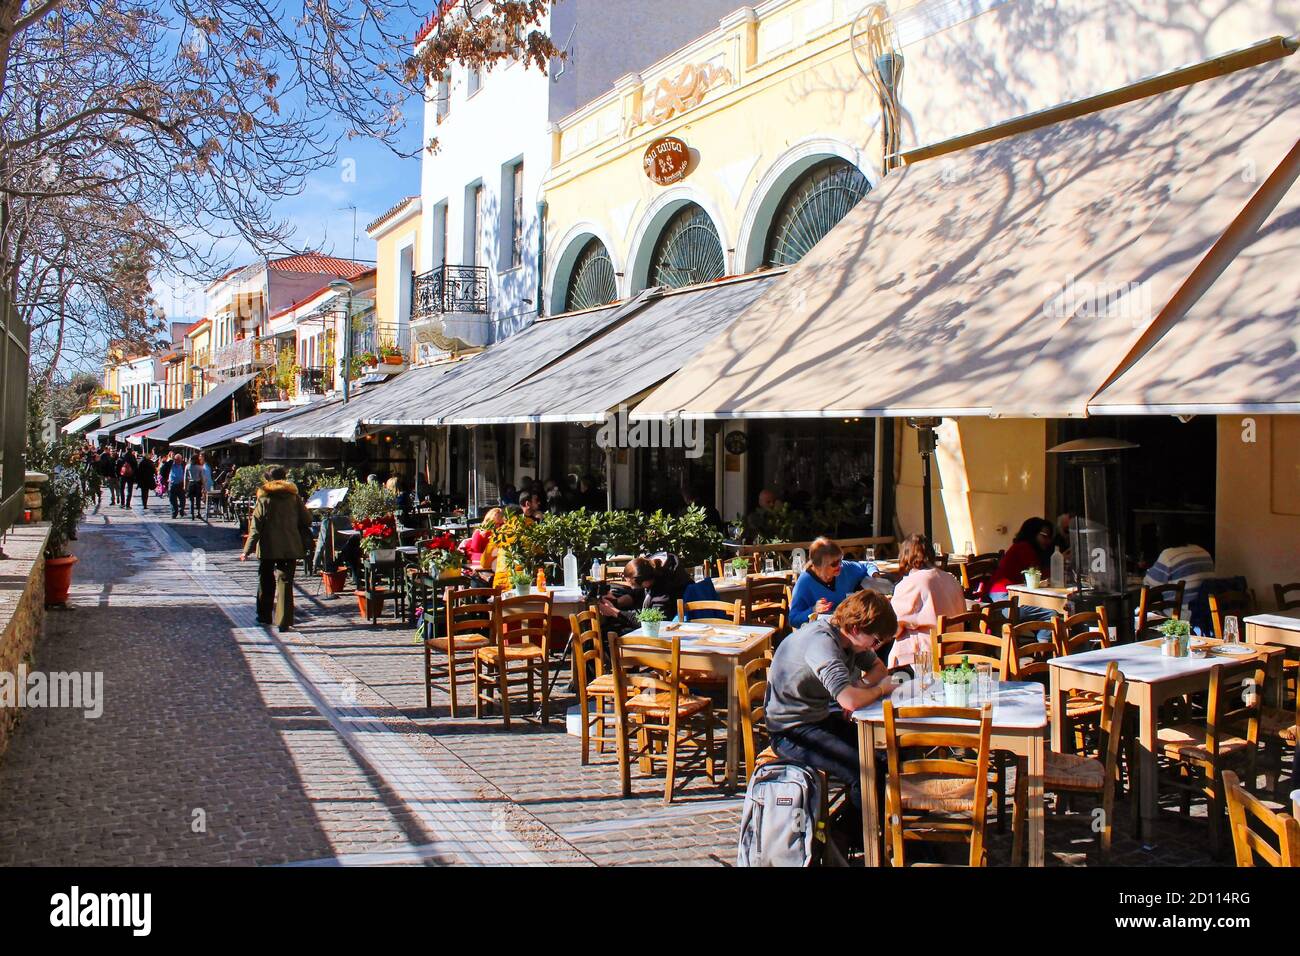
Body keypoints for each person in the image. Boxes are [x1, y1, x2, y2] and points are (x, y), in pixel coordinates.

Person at [765, 589, 897, 832]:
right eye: (876, 641)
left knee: (882, 753)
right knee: (864, 770)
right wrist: (877, 691)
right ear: (857, 629)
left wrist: (860, 686)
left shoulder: (847, 638)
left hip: (818, 717)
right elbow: (849, 700)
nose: (876, 647)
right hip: (790, 731)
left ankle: (871, 826)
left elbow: (879, 668)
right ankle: (853, 838)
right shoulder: (822, 644)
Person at [239, 466, 312, 630]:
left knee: (265, 581)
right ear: (285, 478)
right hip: (290, 546)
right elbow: (307, 520)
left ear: (268, 480)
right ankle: (284, 620)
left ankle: (264, 616)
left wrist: (247, 550)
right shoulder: (294, 497)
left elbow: (256, 528)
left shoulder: (264, 499)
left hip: (268, 547)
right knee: (285, 582)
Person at [888, 534, 967, 668]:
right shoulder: (950, 578)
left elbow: (894, 629)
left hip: (927, 655)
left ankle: (889, 684)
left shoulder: (910, 583)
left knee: (879, 649)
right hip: (956, 647)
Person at [788, 536, 882, 628]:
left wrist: (874, 575)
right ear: (819, 566)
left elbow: (868, 565)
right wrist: (813, 610)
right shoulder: (805, 582)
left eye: (840, 560)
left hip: (848, 628)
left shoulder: (845, 568)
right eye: (834, 564)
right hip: (820, 633)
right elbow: (793, 619)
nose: (840, 565)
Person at [1143, 519, 1214, 619]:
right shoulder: (1202, 551)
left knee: (1138, 613)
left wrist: (1148, 571)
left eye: (1158, 532)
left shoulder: (1169, 555)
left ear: (1165, 534)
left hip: (1182, 615)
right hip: (1205, 614)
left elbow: (1148, 585)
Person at [598, 557, 678, 635]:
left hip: (659, 631)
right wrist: (615, 602)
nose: (629, 585)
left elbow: (650, 624)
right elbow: (635, 595)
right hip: (650, 627)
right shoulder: (649, 580)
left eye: (631, 583)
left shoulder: (662, 594)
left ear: (644, 582)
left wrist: (614, 612)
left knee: (613, 633)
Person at [988, 517, 1054, 599]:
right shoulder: (1023, 547)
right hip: (1003, 593)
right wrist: (1058, 563)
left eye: (1049, 537)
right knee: (1051, 611)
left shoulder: (1032, 549)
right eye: (1044, 536)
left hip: (1012, 592)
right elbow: (1037, 575)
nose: (1048, 541)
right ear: (1032, 533)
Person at [166, 452, 187, 519]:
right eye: (176, 459)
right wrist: (172, 459)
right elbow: (164, 468)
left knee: (182, 499)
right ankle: (174, 513)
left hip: (180, 484)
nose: (178, 461)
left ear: (181, 460)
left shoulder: (183, 465)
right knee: (172, 500)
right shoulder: (171, 464)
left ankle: (181, 510)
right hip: (172, 484)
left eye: (179, 459)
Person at [185, 454, 205, 519]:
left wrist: (185, 486)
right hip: (198, 484)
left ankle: (192, 513)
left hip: (191, 483)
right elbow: (202, 477)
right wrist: (203, 485)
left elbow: (185, 477)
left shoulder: (188, 466)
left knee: (191, 499)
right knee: (198, 499)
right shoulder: (199, 467)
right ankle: (198, 512)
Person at [200, 454, 215, 520]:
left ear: (203, 458)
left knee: (206, 499)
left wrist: (203, 486)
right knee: (207, 499)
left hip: (207, 484)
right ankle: (208, 511)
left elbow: (205, 477)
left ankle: (207, 512)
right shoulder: (207, 466)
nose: (199, 459)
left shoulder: (205, 467)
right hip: (209, 483)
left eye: (200, 457)